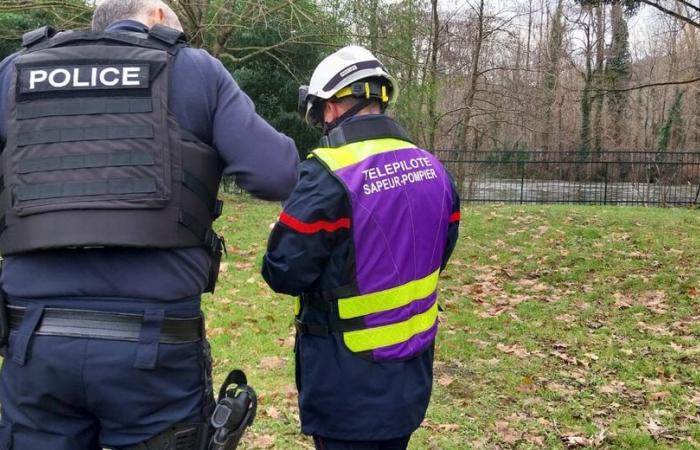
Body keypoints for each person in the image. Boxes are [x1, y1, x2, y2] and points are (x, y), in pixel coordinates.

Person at [0, 0, 298, 449]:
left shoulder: (15, 71)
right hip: (154, 343)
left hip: (34, 341)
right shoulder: (195, 69)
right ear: (157, 14)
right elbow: (277, 173)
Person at [261, 46, 461, 450]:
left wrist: (280, 233)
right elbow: (440, 250)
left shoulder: (326, 177)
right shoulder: (434, 169)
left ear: (333, 108)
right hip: (410, 378)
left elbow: (283, 272)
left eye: (319, 112)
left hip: (346, 383)